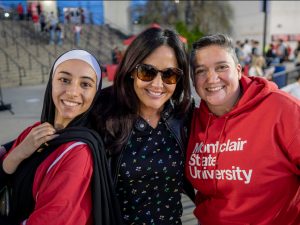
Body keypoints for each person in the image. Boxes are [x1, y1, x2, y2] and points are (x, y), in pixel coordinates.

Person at [186, 34, 300, 225]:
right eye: (201, 70)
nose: (212, 78)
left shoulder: (283, 109)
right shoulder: (192, 121)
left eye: (222, 67)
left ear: (238, 71)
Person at [0, 50, 122, 225]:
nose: (72, 92)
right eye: (64, 80)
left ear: (96, 93)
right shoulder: (34, 131)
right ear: (51, 83)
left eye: (85, 84)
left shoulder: (79, 152)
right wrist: (17, 154)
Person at [92, 27, 195, 224]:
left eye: (169, 74)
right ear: (131, 70)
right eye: (147, 71)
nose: (158, 84)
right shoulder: (102, 113)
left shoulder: (184, 117)